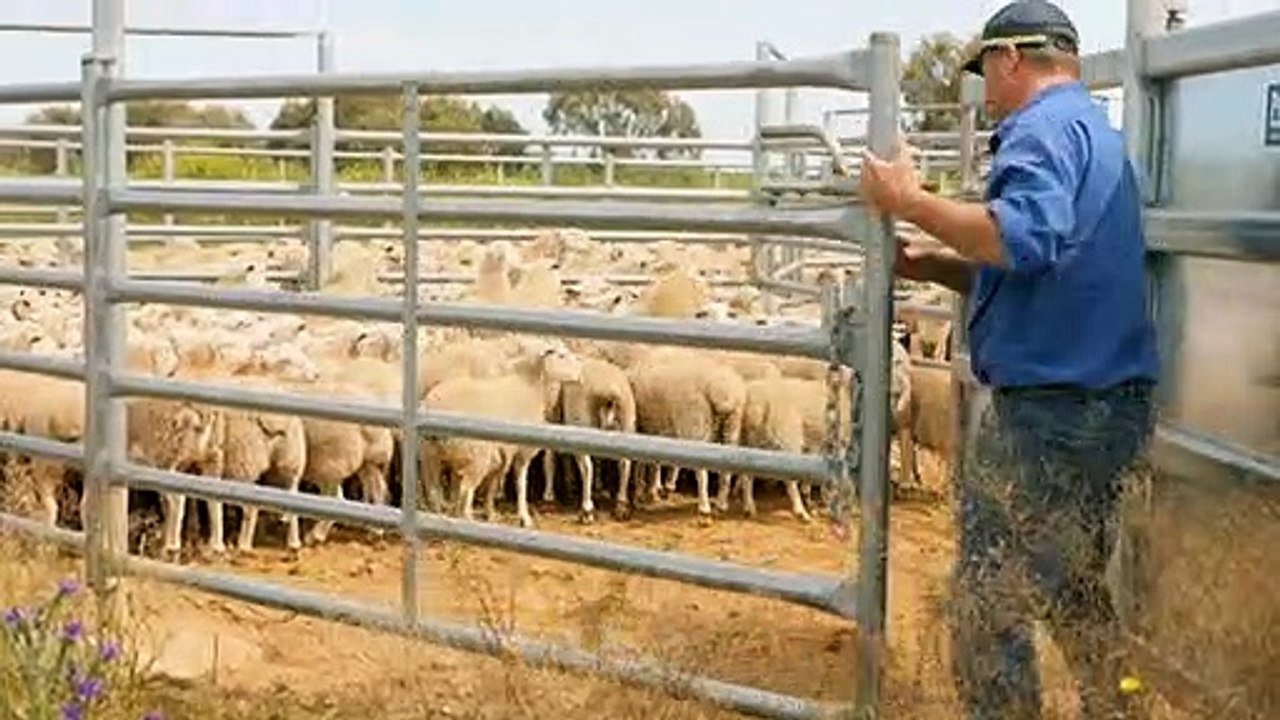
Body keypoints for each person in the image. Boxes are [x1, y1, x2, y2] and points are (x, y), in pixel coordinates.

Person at [858, 1, 1161, 718]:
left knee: (987, 602)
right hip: (1106, 404)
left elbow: (1021, 238)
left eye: (986, 71)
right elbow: (1051, 262)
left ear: (1013, 59)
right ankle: (1123, 705)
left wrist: (910, 200)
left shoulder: (1038, 131)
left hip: (1050, 412)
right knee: (1074, 586)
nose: (984, 90)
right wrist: (942, 268)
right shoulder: (1095, 133)